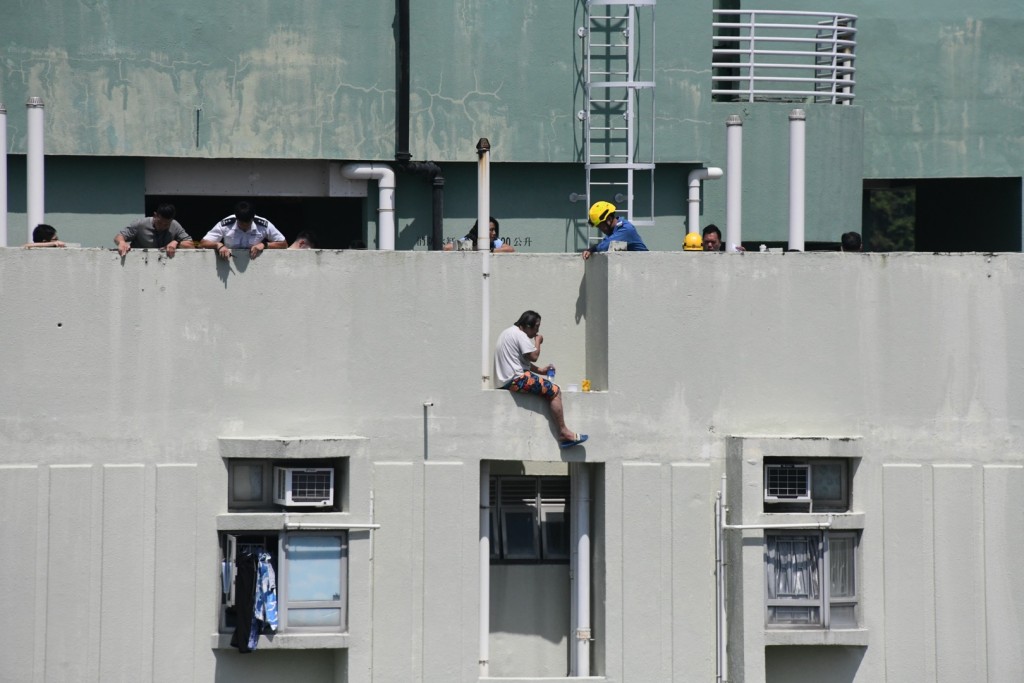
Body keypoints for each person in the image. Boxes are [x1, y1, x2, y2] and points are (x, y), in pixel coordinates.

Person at [494, 310, 587, 449]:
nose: (537, 330)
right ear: (527, 325)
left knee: (549, 387)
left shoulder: (508, 333)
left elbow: (521, 361)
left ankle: (564, 433)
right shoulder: (520, 335)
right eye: (536, 327)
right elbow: (533, 356)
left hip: (506, 380)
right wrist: (538, 341)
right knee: (555, 390)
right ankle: (563, 432)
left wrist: (541, 371)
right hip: (517, 380)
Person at [200, 201, 287, 260]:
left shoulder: (263, 224)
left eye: (248, 224)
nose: (244, 227)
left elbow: (284, 244)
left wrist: (265, 245)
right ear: (236, 218)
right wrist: (218, 245)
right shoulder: (226, 224)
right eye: (241, 224)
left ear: (253, 218)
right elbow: (203, 243)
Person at [115, 204, 194, 256]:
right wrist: (122, 242)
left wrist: (177, 242)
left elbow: (190, 245)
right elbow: (119, 236)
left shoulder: (175, 225)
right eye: (160, 223)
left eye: (166, 224)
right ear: (155, 215)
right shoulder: (140, 224)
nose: (162, 226)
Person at [582, 201, 648, 260]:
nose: (601, 229)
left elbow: (605, 246)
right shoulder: (614, 231)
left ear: (609, 219)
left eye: (600, 226)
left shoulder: (625, 229)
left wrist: (592, 249)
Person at [443, 216, 514, 252]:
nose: (494, 233)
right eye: (491, 230)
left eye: (495, 230)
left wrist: (489, 250)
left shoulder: (494, 242)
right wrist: (473, 248)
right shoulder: (469, 241)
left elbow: (510, 249)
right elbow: (446, 248)